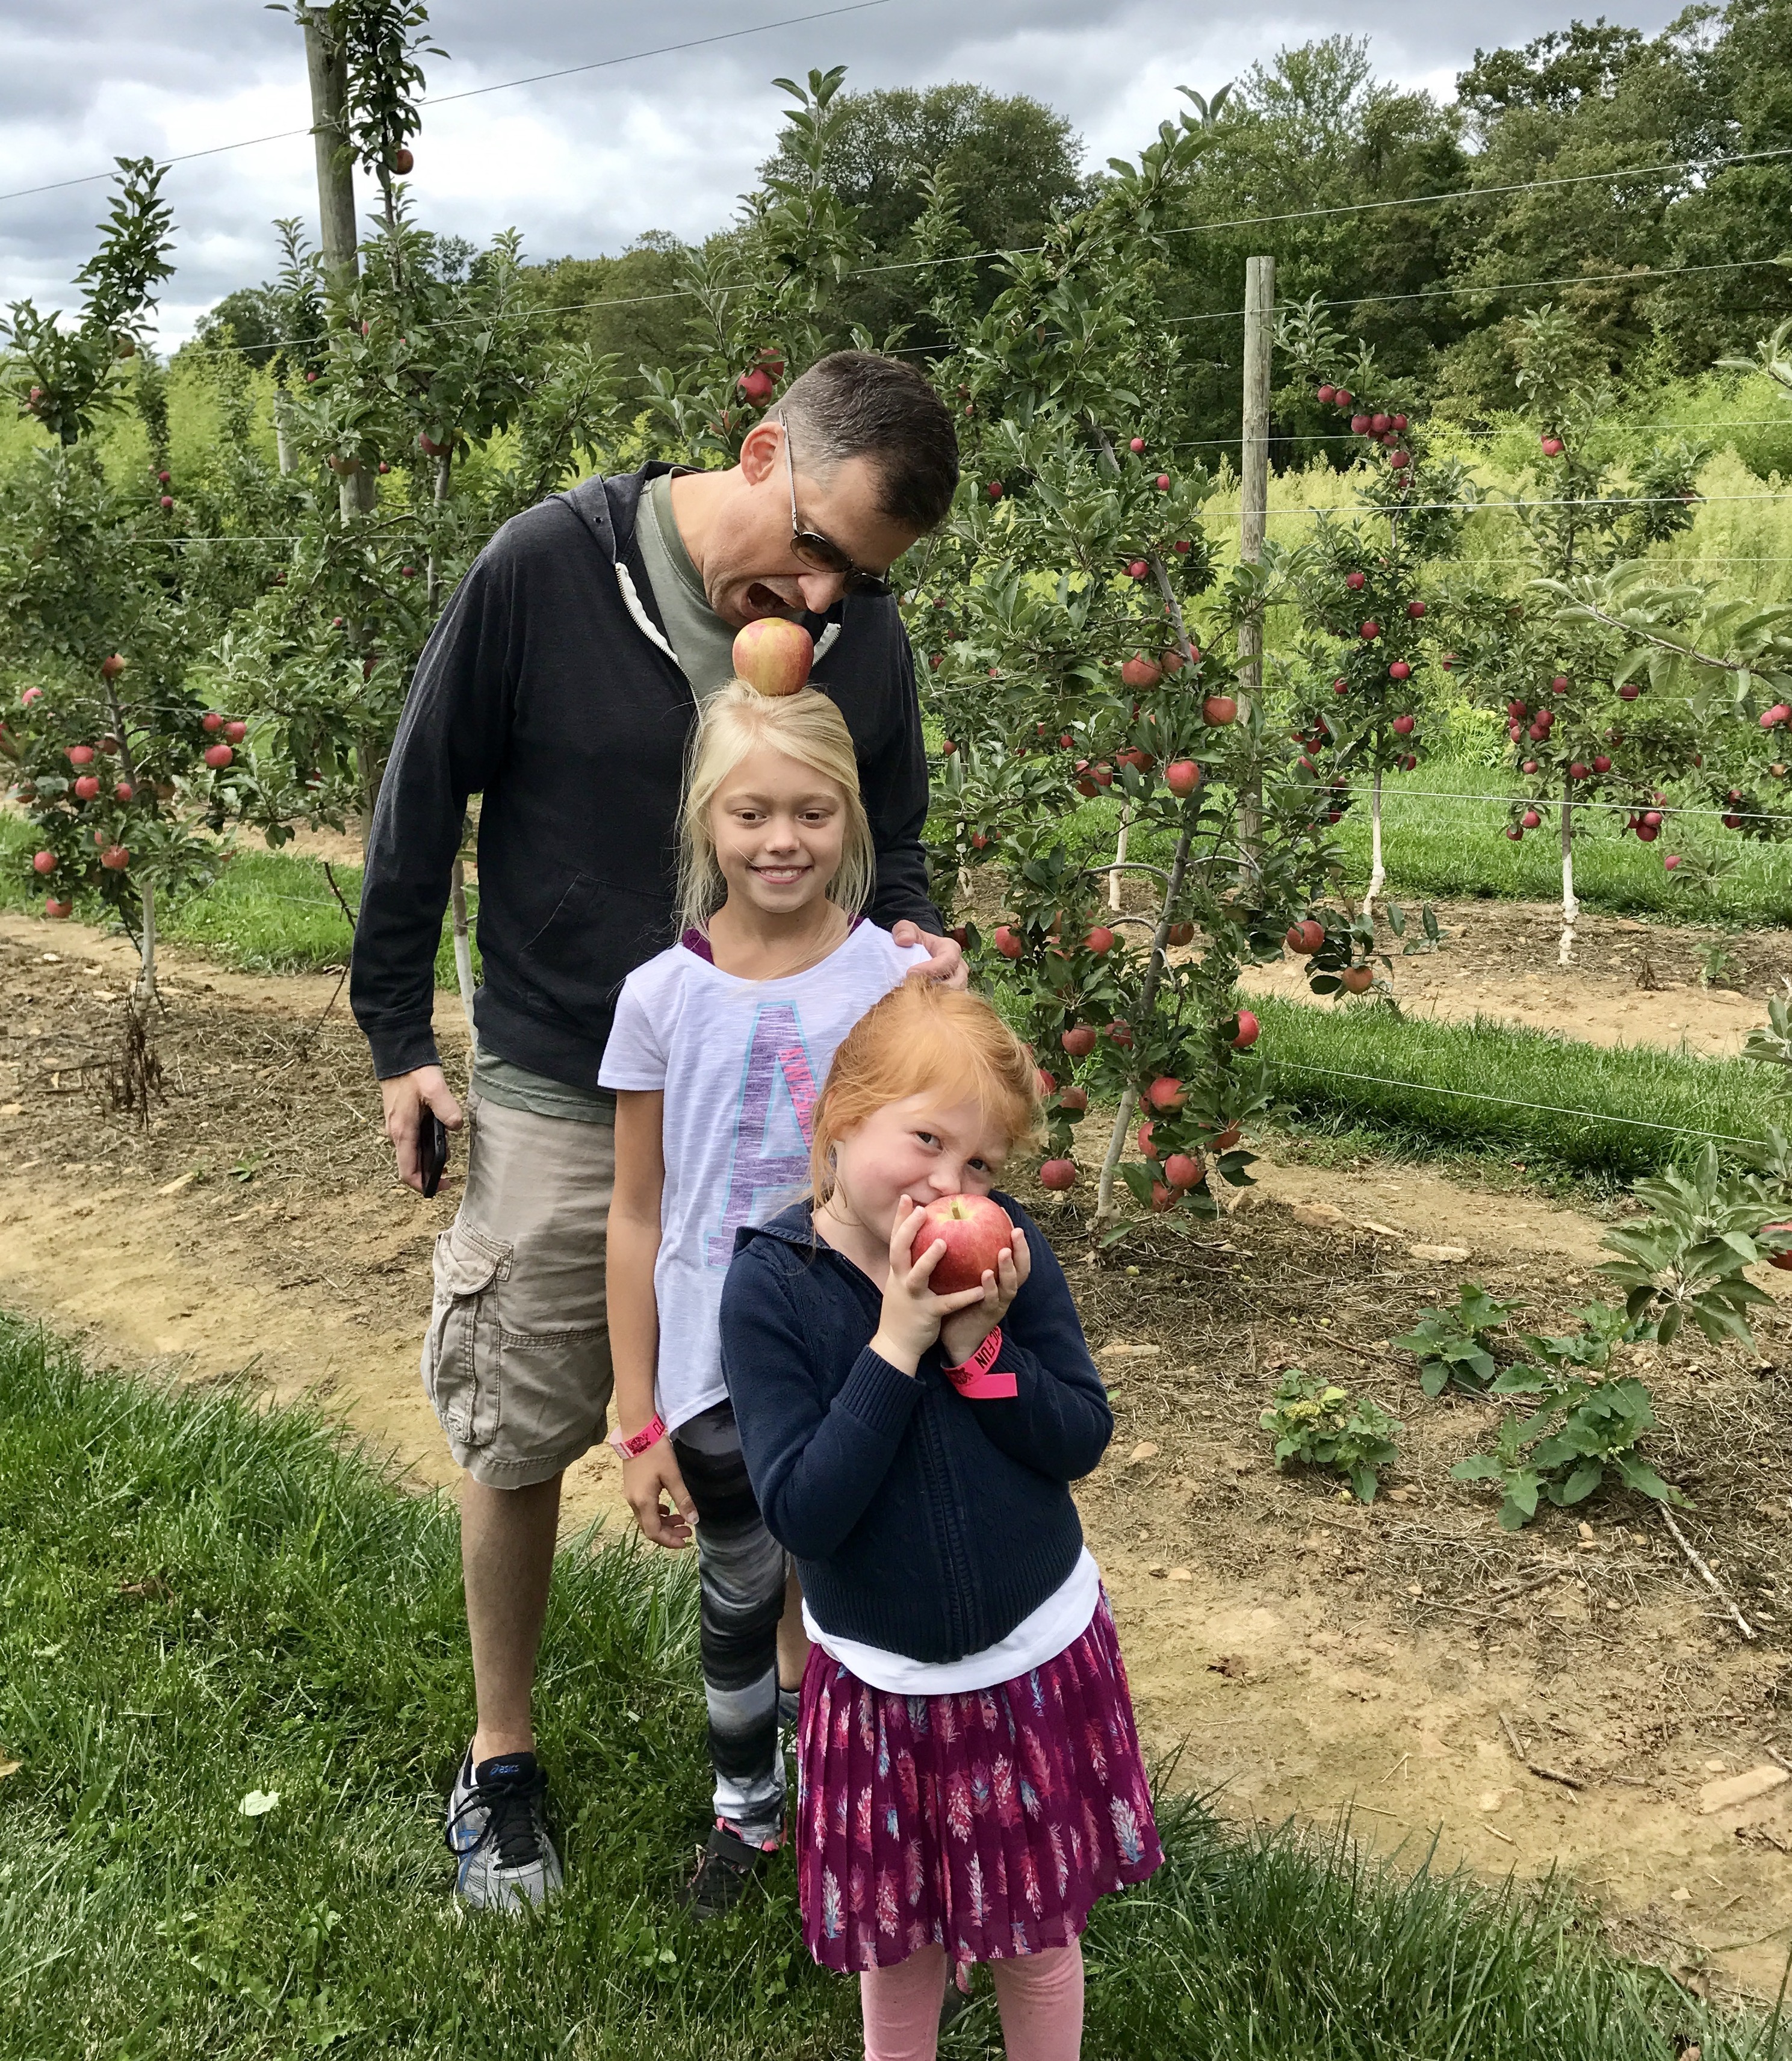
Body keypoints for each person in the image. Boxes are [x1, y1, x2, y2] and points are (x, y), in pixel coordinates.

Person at [347, 351, 965, 1912]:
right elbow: (424, 797)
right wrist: (397, 1041)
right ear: (761, 452)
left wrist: (919, 940)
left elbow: (894, 850)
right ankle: (500, 1761)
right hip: (573, 1072)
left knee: (816, 1427)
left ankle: (819, 1767)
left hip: (790, 1115)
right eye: (814, 550)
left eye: (860, 579)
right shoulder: (548, 570)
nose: (824, 602)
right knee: (525, 1417)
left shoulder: (860, 641)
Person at [721, 983, 1162, 2061]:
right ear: (840, 1119)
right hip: (885, 1689)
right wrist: (895, 1346)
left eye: (981, 1169)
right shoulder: (772, 1291)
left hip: (1030, 1666)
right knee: (901, 1947)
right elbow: (805, 1514)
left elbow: (1079, 1440)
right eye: (925, 1140)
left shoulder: (1010, 1266)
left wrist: (980, 1352)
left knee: (1038, 1940)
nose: (948, 1185)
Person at [601, 676, 931, 1915]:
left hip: (863, 1347)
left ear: (852, 818)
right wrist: (637, 1414)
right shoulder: (660, 997)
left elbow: (936, 1151)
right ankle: (747, 1812)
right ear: (705, 824)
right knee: (742, 1588)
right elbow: (636, 1213)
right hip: (712, 1370)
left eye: (810, 810)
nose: (779, 839)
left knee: (848, 1589)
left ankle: (854, 1793)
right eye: (749, 813)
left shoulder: (889, 985)